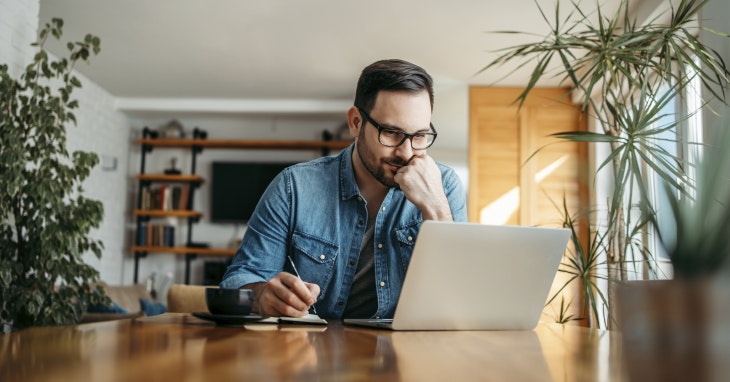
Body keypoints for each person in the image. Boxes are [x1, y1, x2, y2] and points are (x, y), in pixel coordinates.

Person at [220, 59, 468, 319]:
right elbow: (238, 280)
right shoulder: (293, 187)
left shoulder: (444, 185)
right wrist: (262, 297)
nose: (406, 152)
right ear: (356, 123)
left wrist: (436, 208)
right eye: (391, 133)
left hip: (407, 354)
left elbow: (460, 298)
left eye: (419, 136)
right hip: (310, 351)